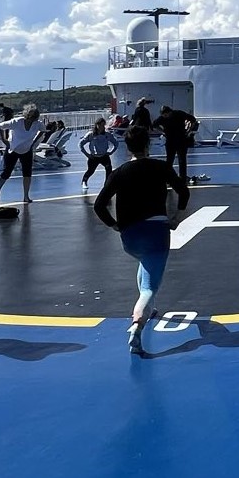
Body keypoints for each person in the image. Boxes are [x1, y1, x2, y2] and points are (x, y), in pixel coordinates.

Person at [93, 125, 190, 355]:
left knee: (144, 264)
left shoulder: (119, 172)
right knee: (148, 287)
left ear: (128, 148)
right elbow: (183, 191)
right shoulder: (160, 166)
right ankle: (137, 324)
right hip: (156, 232)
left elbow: (99, 205)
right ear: (148, 145)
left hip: (130, 237)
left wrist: (114, 225)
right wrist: (177, 217)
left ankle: (151, 309)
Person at [0, 104, 45, 205]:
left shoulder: (37, 124)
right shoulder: (17, 122)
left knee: (27, 173)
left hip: (27, 150)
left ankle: (26, 196)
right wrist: (5, 140)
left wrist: (34, 142)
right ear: (26, 115)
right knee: (6, 172)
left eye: (34, 118)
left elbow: (43, 130)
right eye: (31, 118)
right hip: (13, 149)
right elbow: (1, 126)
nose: (32, 120)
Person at [152, 105, 198, 182]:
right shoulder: (162, 118)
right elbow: (154, 125)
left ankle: (182, 177)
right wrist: (163, 131)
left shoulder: (179, 114)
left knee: (182, 160)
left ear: (169, 112)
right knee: (170, 160)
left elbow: (193, 119)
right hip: (171, 140)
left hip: (181, 139)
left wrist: (189, 130)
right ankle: (169, 177)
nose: (165, 117)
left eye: (166, 115)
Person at [80, 118, 119, 192]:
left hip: (104, 156)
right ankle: (84, 181)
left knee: (108, 169)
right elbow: (81, 144)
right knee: (91, 171)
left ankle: (107, 184)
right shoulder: (90, 135)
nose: (102, 127)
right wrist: (87, 154)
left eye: (103, 125)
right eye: (100, 125)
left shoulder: (107, 135)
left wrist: (111, 152)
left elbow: (116, 143)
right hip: (94, 156)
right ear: (97, 125)